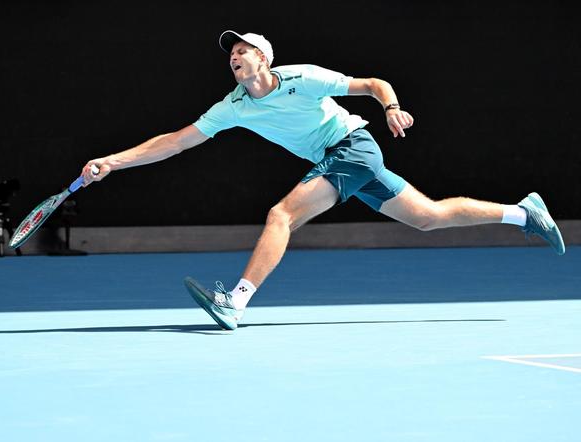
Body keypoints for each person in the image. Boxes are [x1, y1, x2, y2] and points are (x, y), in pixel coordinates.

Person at [81, 30, 565, 331]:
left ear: (264, 59)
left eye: (244, 49)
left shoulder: (304, 78)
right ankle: (525, 211)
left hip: (352, 146)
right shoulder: (233, 106)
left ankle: (236, 302)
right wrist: (112, 161)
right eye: (231, 52)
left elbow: (373, 84)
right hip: (347, 158)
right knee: (428, 217)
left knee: (281, 215)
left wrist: (392, 108)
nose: (235, 55)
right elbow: (176, 140)